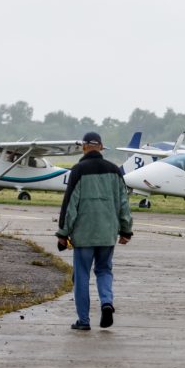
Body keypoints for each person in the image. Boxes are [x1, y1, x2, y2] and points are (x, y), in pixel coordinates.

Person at [56, 131, 133, 331]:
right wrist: (126, 230)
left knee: (81, 275)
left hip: (83, 235)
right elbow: (123, 203)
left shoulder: (78, 170)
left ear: (83, 147)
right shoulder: (115, 170)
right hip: (107, 234)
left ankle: (84, 321)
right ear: (101, 146)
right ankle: (106, 302)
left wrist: (63, 234)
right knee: (104, 270)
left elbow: (70, 205)